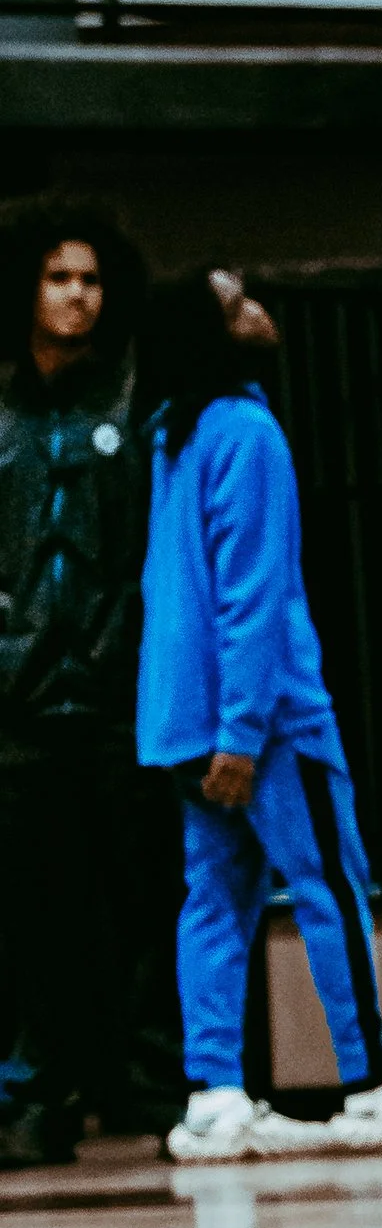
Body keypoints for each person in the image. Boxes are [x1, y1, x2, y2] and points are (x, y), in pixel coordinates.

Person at [139, 268, 382, 1163]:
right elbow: (252, 594)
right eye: (237, 302)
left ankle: (214, 1097)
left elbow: (176, 593)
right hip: (270, 718)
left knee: (212, 899)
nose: (260, 311)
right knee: (331, 885)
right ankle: (370, 1087)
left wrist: (201, 726)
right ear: (211, 331)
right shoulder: (247, 429)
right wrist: (244, 731)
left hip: (177, 714)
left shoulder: (172, 433)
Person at [0, 197, 175, 1163]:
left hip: (119, 698)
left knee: (143, 898)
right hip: (20, 704)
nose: (77, 295)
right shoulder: (1, 404)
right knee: (34, 910)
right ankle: (40, 1090)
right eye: (59, 276)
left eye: (92, 279)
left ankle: (152, 1085)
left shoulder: (136, 397)